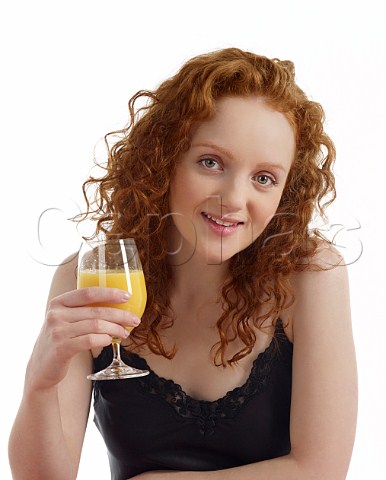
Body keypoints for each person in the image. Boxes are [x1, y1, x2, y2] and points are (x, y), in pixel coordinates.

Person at [9, 48, 358, 480]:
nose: (233, 198)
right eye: (211, 162)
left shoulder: (310, 276)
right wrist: (40, 382)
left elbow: (321, 470)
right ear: (165, 160)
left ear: (285, 192)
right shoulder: (90, 276)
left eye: (263, 178)